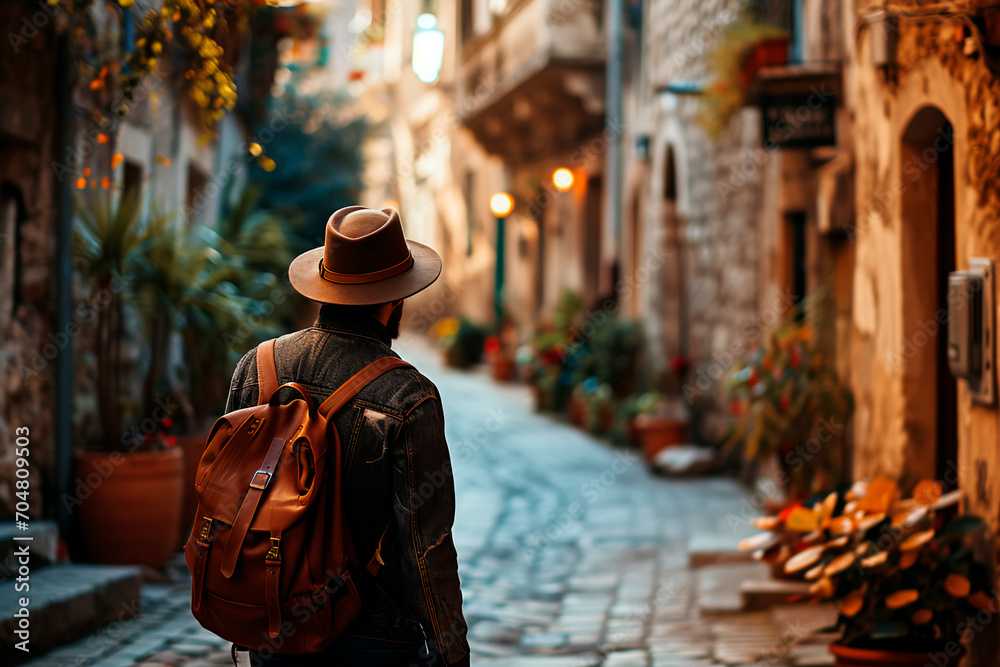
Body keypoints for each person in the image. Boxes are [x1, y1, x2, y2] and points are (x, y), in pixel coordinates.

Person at [224, 206, 470, 667]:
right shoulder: (409, 395)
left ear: (324, 287)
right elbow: (426, 546)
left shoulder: (256, 367)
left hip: (273, 630)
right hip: (375, 638)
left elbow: (230, 497)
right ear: (396, 299)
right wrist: (452, 653)